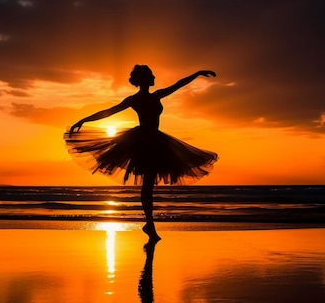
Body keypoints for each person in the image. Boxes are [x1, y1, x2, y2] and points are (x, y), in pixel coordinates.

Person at [65, 65, 218, 241]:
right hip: (143, 142)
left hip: (155, 141)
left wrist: (197, 74)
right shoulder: (137, 99)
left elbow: (178, 84)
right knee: (147, 186)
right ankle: (150, 226)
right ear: (145, 79)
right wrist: (84, 120)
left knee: (148, 185)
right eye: (151, 75)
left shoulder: (155, 95)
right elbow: (109, 112)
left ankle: (149, 225)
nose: (154, 77)